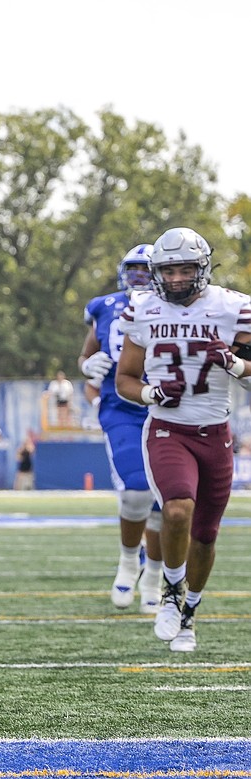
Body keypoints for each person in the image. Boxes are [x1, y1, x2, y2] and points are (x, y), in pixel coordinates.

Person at [116, 227, 251, 652]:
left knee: (206, 534)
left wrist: (233, 363)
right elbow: (125, 379)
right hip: (167, 428)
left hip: (215, 432)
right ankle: (172, 592)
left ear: (202, 268)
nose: (175, 279)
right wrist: (150, 394)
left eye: (184, 269)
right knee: (176, 510)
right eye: (167, 270)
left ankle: (190, 612)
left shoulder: (233, 308)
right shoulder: (142, 309)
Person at [78, 244, 163, 613]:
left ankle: (157, 574)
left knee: (164, 504)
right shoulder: (105, 306)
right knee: (135, 492)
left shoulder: (177, 309)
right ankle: (129, 560)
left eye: (146, 270)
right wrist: (86, 366)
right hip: (122, 407)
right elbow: (87, 353)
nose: (138, 277)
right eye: (133, 269)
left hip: (167, 408)